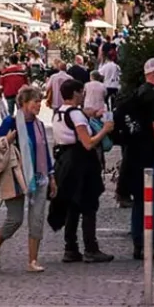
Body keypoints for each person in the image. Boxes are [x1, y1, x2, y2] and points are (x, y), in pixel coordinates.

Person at [0, 85, 54, 273]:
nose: (39, 105)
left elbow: (45, 152)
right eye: (35, 101)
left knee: (37, 219)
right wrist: (7, 140)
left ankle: (32, 260)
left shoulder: (39, 124)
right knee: (15, 219)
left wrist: (51, 175)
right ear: (24, 103)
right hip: (16, 176)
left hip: (39, 177)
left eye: (40, 102)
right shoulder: (11, 122)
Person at [116, 58, 154, 259]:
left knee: (141, 201)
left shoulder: (139, 92)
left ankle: (139, 244)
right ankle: (151, 244)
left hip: (135, 154)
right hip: (151, 155)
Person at [49, 82, 113, 262]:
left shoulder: (59, 112)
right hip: (81, 162)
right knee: (88, 205)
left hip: (64, 161)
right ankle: (91, 248)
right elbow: (88, 142)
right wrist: (105, 130)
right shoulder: (76, 114)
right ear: (76, 94)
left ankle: (70, 247)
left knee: (72, 205)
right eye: (81, 92)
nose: (83, 96)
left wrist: (93, 113)